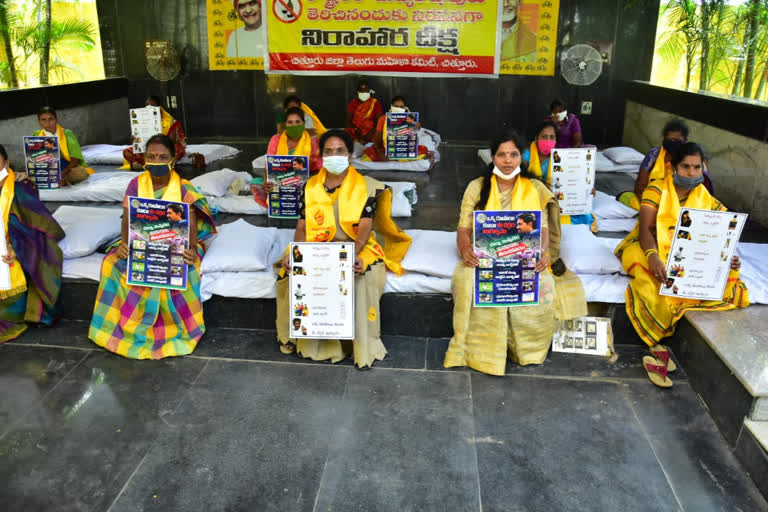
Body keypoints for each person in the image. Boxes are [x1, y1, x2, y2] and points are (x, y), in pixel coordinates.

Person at [444, 131, 587, 376]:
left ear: (522, 157)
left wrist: (541, 252)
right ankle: (475, 352)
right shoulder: (477, 187)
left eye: (513, 154)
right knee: (468, 281)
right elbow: (463, 228)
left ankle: (527, 350)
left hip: (523, 258)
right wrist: (466, 249)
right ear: (493, 157)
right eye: (502, 155)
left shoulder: (535, 188)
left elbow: (542, 230)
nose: (508, 161)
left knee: (542, 283)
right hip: (485, 257)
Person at [614, 142, 748, 388]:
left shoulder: (704, 197)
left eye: (697, 167)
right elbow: (645, 230)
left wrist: (727, 256)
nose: (691, 172)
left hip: (685, 251)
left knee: (720, 279)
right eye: (685, 166)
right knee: (653, 279)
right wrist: (653, 255)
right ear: (672, 167)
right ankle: (653, 340)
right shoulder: (656, 190)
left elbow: (720, 232)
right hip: (646, 244)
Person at [276, 129, 412, 369]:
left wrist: (352, 256)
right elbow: (302, 227)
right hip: (318, 247)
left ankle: (358, 345)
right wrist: (295, 252)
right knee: (290, 273)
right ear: (321, 155)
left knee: (356, 278)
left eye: (340, 151)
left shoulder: (366, 187)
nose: (334, 156)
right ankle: (297, 337)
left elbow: (364, 231)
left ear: (350, 155)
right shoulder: (309, 187)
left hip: (356, 246)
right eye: (328, 151)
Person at [89, 134, 216, 359]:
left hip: (178, 244)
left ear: (173, 159)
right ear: (144, 159)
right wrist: (125, 244)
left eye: (162, 157)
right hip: (142, 242)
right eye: (151, 156)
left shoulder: (185, 188)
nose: (156, 161)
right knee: (113, 263)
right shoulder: (136, 184)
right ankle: (117, 328)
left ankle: (172, 329)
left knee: (186, 271)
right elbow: (127, 217)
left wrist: (192, 250)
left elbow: (192, 226)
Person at [0, 144, 65, 343]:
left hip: (11, 249)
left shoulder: (21, 188)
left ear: (6, 162)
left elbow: (38, 225)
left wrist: (15, 247)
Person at [617, 119, 714, 210]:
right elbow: (640, 186)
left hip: (688, 202)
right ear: (664, 139)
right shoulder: (654, 155)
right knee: (631, 200)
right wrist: (653, 205)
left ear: (685, 140)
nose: (673, 143)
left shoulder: (695, 158)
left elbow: (704, 188)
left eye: (677, 141)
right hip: (656, 198)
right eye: (669, 140)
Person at [525, 120, 596, 229]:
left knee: (582, 216)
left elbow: (573, 178)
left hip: (556, 200)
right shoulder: (525, 156)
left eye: (552, 137)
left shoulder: (562, 158)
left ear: (556, 140)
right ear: (536, 138)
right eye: (544, 136)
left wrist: (586, 188)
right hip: (532, 198)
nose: (548, 140)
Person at [122, 96, 199, 170]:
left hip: (165, 147)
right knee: (127, 152)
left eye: (152, 105)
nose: (149, 107)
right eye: (147, 105)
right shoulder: (141, 120)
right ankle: (153, 164)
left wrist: (157, 141)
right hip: (150, 148)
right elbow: (139, 140)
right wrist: (135, 140)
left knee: (173, 150)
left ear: (159, 107)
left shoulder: (170, 122)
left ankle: (151, 164)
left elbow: (171, 142)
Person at [33, 106, 93, 186]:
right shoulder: (36, 135)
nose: (47, 123)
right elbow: (34, 157)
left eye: (51, 119)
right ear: (39, 122)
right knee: (30, 176)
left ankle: (59, 179)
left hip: (67, 167)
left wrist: (64, 172)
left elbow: (75, 159)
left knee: (80, 173)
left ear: (56, 120)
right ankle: (57, 180)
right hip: (47, 167)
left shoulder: (67, 134)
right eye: (43, 120)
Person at [363, 95, 428, 162]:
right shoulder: (383, 119)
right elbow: (378, 138)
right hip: (387, 148)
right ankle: (399, 157)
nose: (398, 108)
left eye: (401, 107)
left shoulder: (410, 119)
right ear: (391, 106)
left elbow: (412, 137)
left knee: (423, 149)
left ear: (405, 108)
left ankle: (398, 156)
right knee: (369, 153)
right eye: (396, 106)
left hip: (404, 148)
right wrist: (379, 151)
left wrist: (417, 126)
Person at [266, 107, 322, 172]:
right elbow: (269, 163)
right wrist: (266, 180)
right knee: (255, 181)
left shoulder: (313, 141)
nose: (294, 125)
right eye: (290, 122)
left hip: (307, 178)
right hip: (279, 178)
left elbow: (319, 165)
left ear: (303, 124)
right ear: (285, 125)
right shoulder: (276, 139)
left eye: (297, 122)